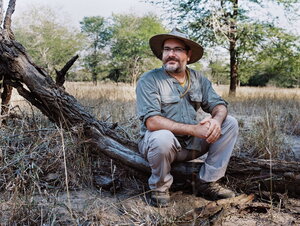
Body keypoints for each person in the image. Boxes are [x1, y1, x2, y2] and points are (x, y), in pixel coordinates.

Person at [136, 28, 239, 207]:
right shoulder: (149, 79)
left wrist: (216, 120)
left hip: (191, 145)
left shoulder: (198, 78)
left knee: (229, 123)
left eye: (177, 49)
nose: (171, 54)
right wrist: (194, 129)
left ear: (188, 55)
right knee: (162, 137)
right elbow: (152, 122)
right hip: (161, 145)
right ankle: (159, 187)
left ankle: (207, 181)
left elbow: (219, 105)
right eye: (167, 49)